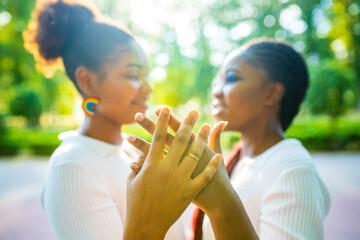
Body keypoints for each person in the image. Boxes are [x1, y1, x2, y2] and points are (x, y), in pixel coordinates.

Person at [23, 0, 226, 239]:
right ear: (88, 81)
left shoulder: (131, 152)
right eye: (132, 74)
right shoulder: (73, 165)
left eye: (146, 74)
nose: (148, 88)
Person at [130, 39, 331, 239]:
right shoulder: (240, 159)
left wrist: (222, 203)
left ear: (271, 93)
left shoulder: (293, 170)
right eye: (219, 81)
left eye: (232, 78)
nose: (216, 92)